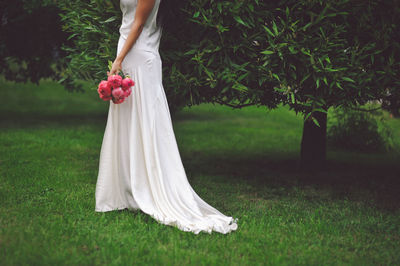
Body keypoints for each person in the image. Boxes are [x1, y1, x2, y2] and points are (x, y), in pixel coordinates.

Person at [95, 0, 238, 234]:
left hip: (139, 55)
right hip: (127, 50)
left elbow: (139, 24)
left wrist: (119, 59)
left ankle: (149, 187)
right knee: (128, 119)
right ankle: (127, 188)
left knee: (146, 119)